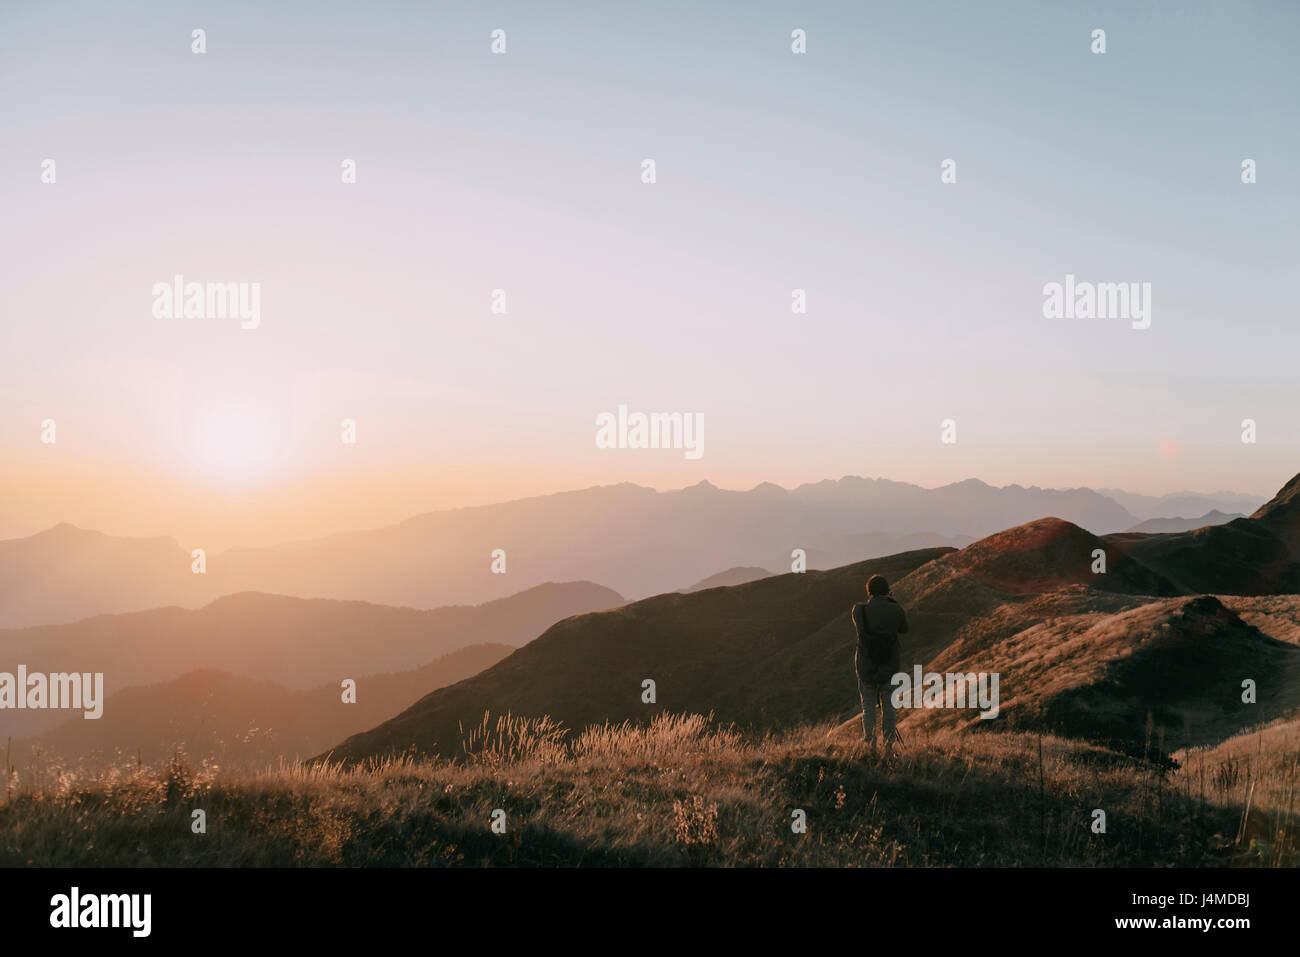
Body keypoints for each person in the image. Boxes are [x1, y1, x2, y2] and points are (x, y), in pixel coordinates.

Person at [851, 574, 908, 755]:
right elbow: (904, 629)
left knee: (868, 705)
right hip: (889, 665)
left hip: (866, 664)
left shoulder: (859, 611)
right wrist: (892, 602)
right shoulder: (895, 610)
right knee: (888, 705)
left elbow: (858, 620)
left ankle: (870, 744)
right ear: (887, 590)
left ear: (869, 591)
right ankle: (889, 746)